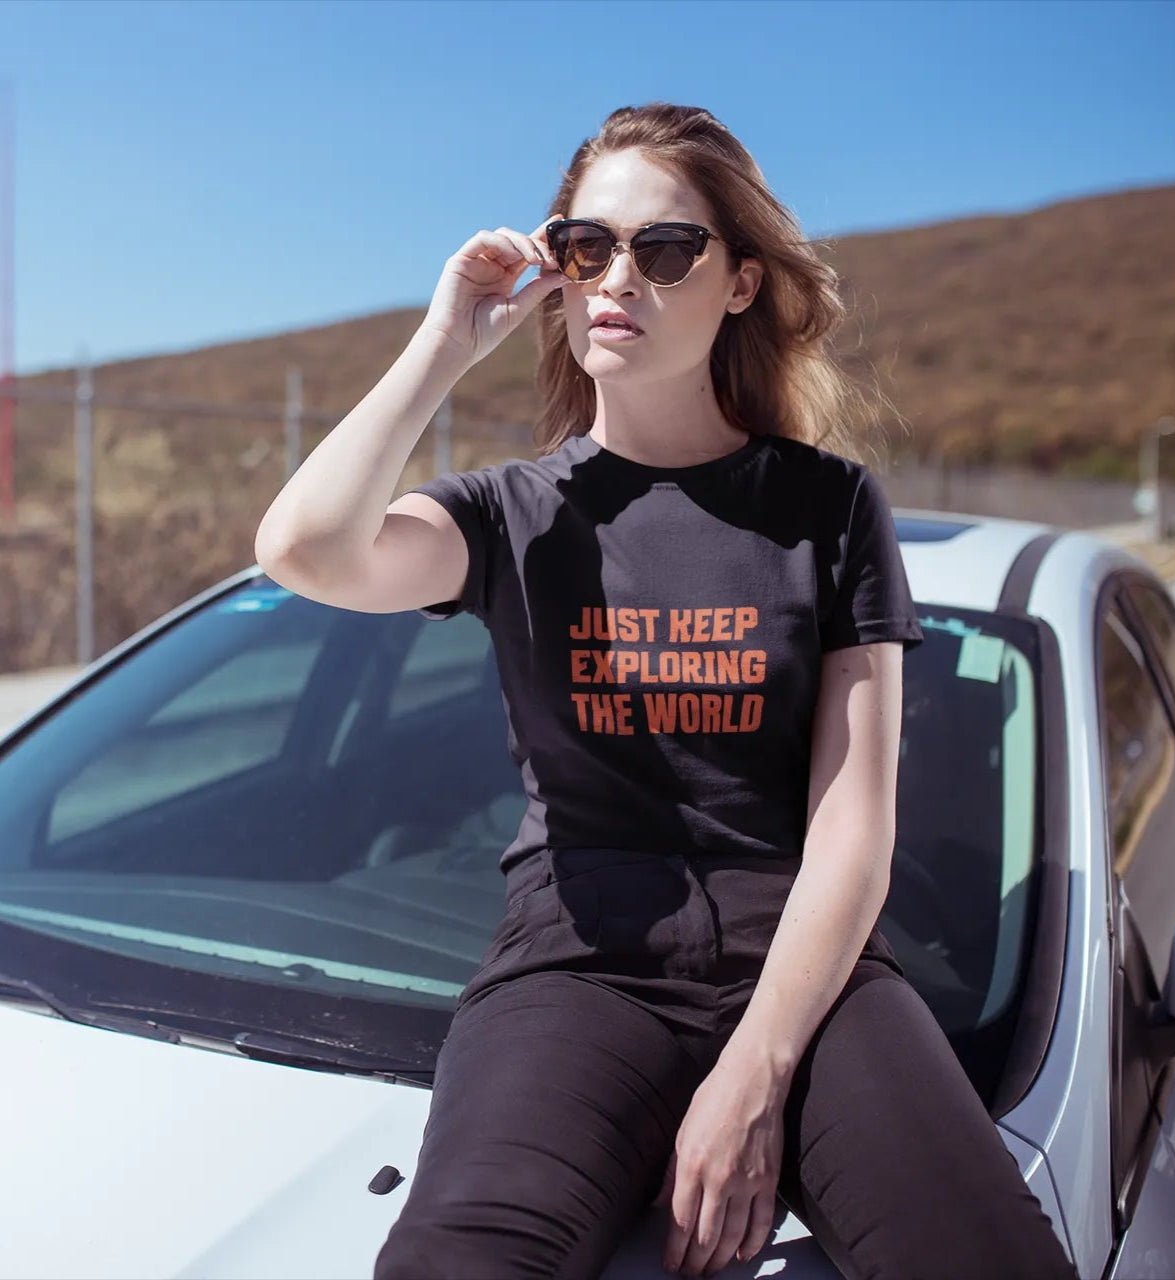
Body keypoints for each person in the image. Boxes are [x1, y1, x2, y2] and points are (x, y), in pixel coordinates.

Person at [257, 103, 1079, 1280]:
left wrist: (753, 1074)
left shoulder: (827, 508)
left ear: (740, 282)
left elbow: (853, 819)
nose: (618, 278)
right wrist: (447, 338)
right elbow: (307, 549)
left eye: (666, 249)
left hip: (805, 963)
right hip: (577, 963)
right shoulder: (511, 511)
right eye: (586, 247)